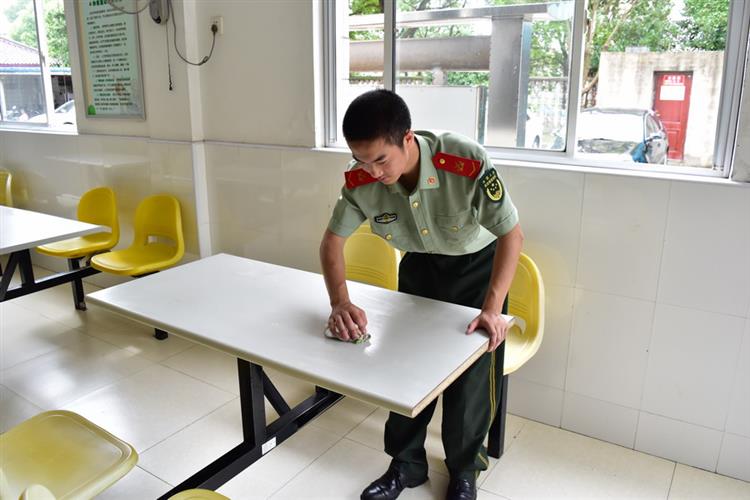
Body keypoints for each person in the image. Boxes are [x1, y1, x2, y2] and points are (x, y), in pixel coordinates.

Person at [319, 89, 523, 500]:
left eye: (381, 159)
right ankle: (406, 465)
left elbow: (511, 235)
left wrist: (492, 308)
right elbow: (331, 243)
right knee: (406, 370)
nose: (372, 171)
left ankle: (464, 471)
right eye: (361, 159)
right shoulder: (361, 179)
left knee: (468, 382)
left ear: (407, 139)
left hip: (477, 272)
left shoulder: (463, 161)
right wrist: (339, 301)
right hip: (418, 270)